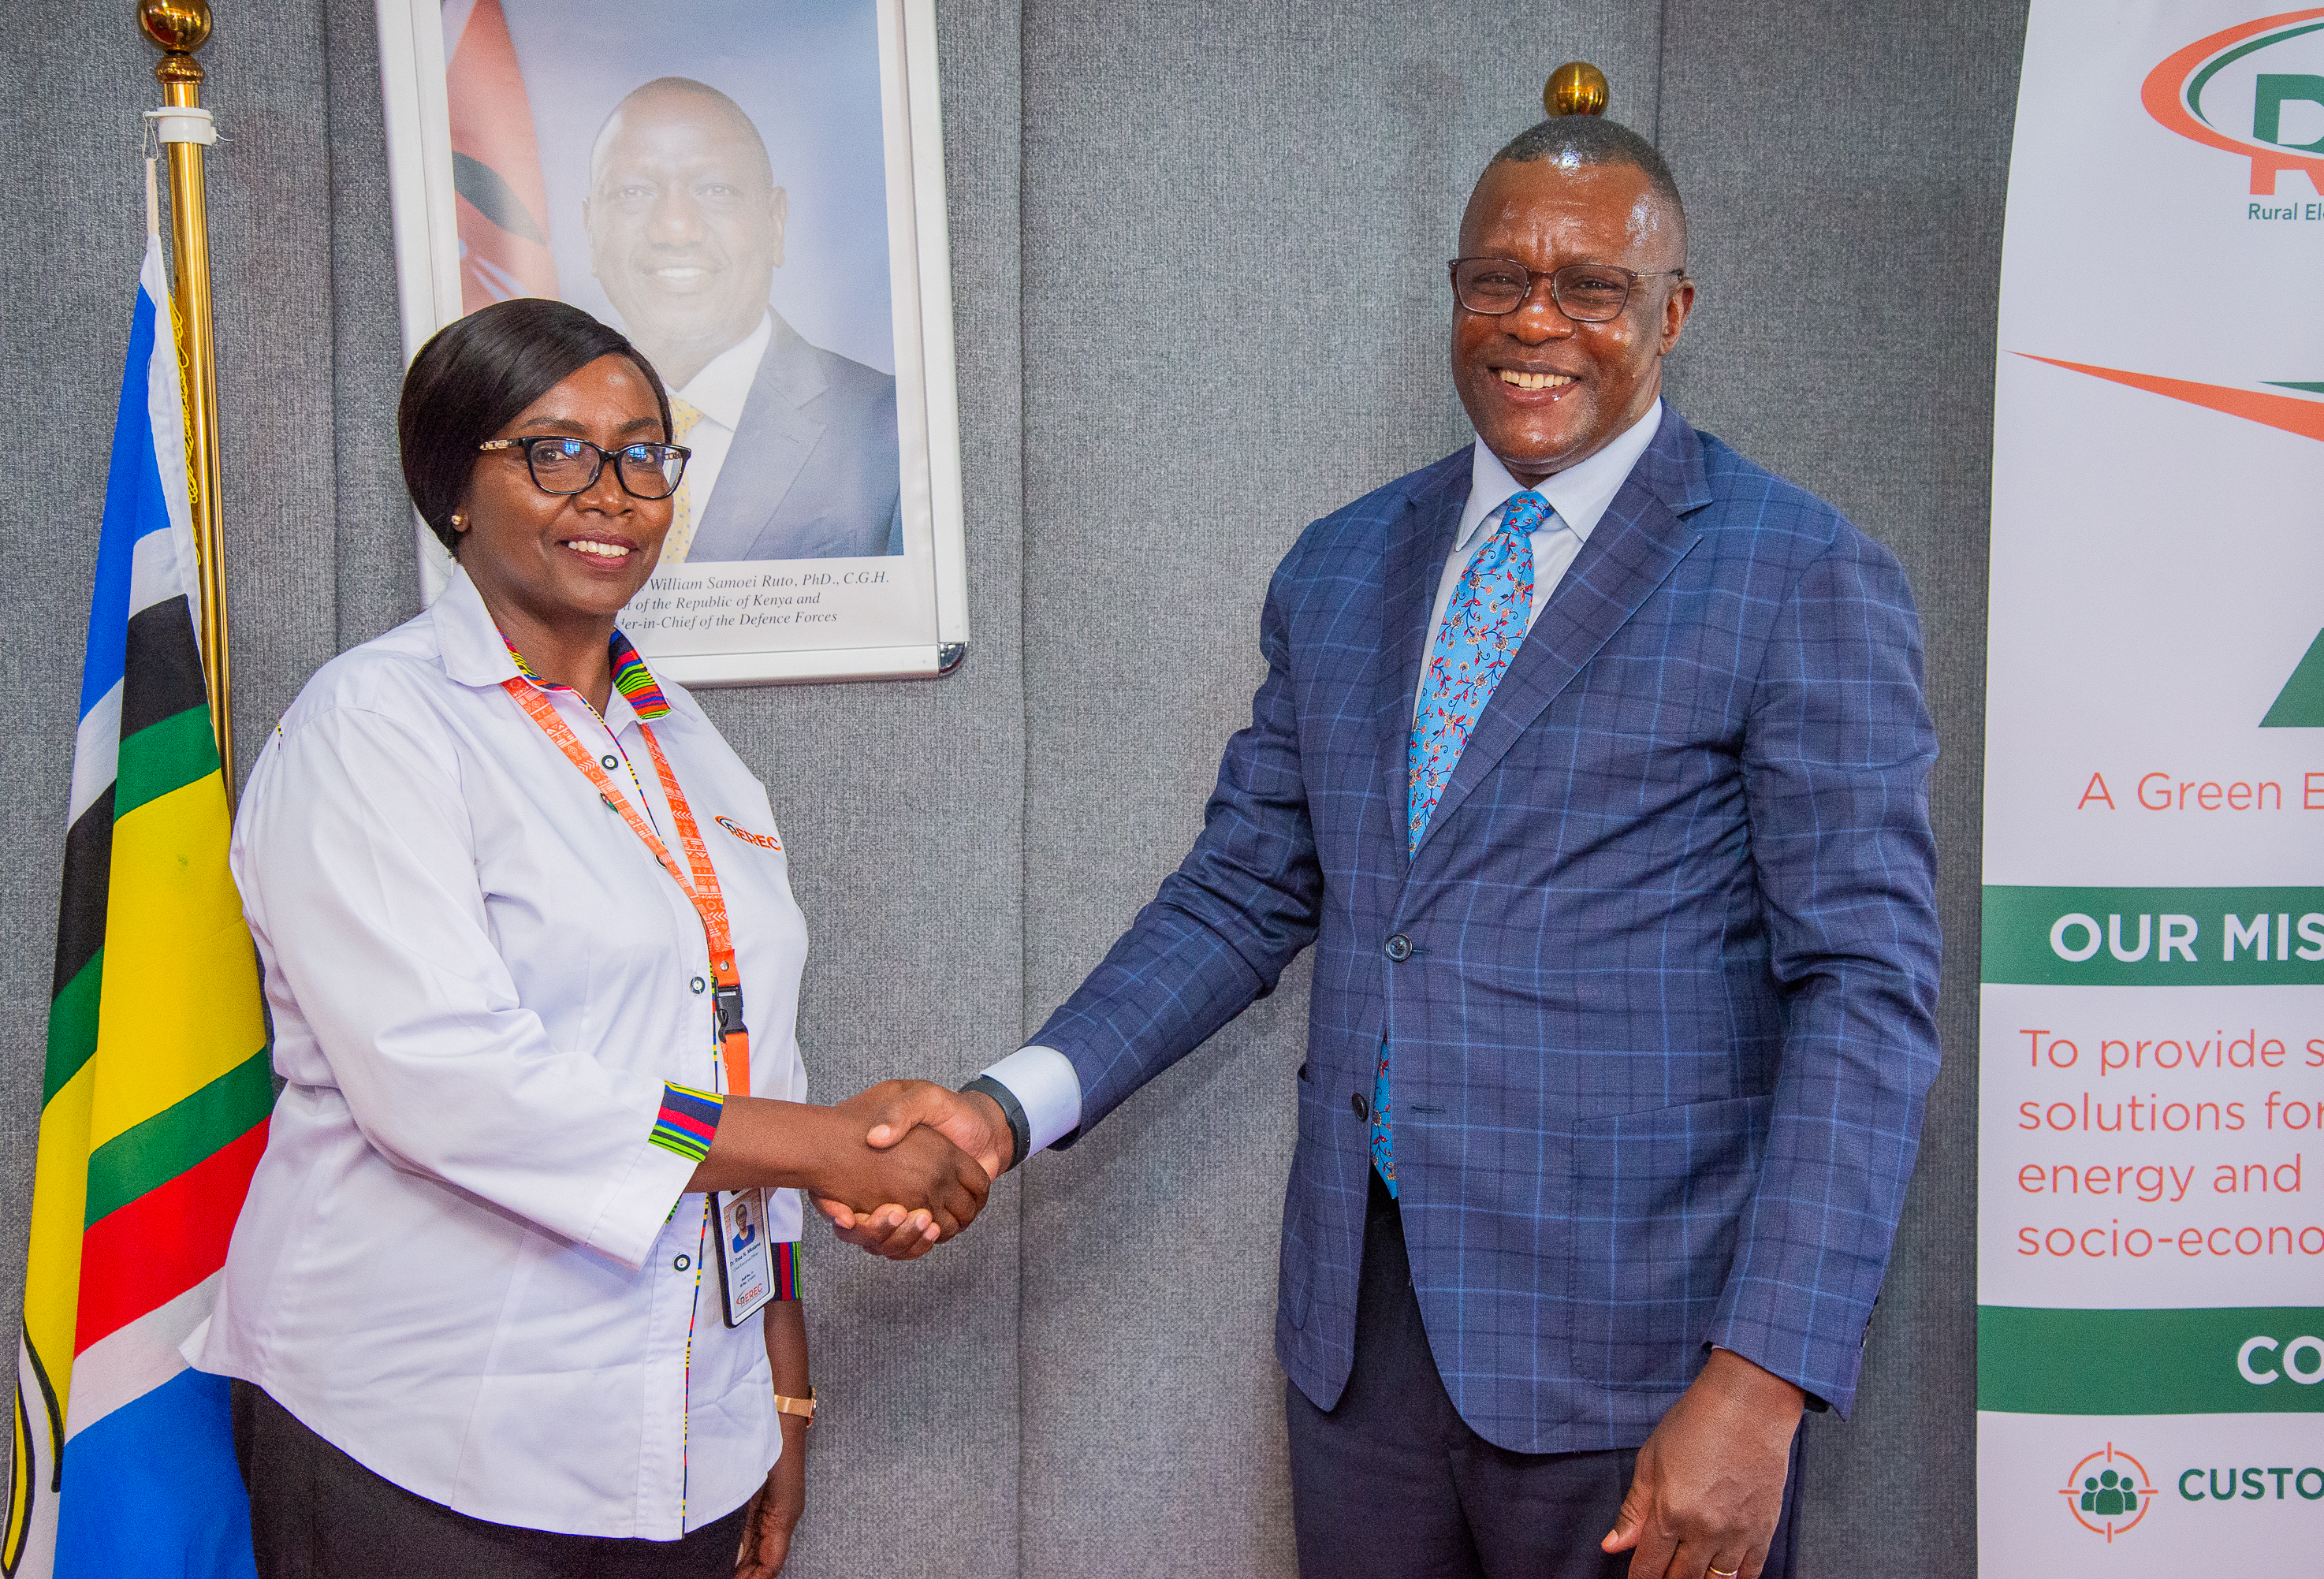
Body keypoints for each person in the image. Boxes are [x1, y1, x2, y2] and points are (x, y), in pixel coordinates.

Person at [832, 116, 1942, 1579]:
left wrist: (1764, 1376)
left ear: (1673, 313)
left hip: (1647, 1360)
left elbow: (1867, 989)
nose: (1534, 320)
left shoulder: (1797, 573)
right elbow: (1240, 893)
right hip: (1363, 1346)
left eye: (1591, 285)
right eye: (1496, 280)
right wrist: (1004, 1106)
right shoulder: (1344, 564)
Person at [190, 297, 988, 1577]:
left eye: (643, 455)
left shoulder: (691, 748)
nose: (610, 492)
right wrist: (832, 1144)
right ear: (454, 486)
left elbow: (746, 1054)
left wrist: (780, 1383)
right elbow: (452, 1078)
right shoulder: (377, 725)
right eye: (554, 452)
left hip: (682, 1434)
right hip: (424, 1433)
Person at [583, 76, 902, 564]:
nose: (675, 228)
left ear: (775, 223)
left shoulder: (892, 429)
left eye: (715, 190)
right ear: (590, 227)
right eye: (632, 192)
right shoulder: (538, 432)